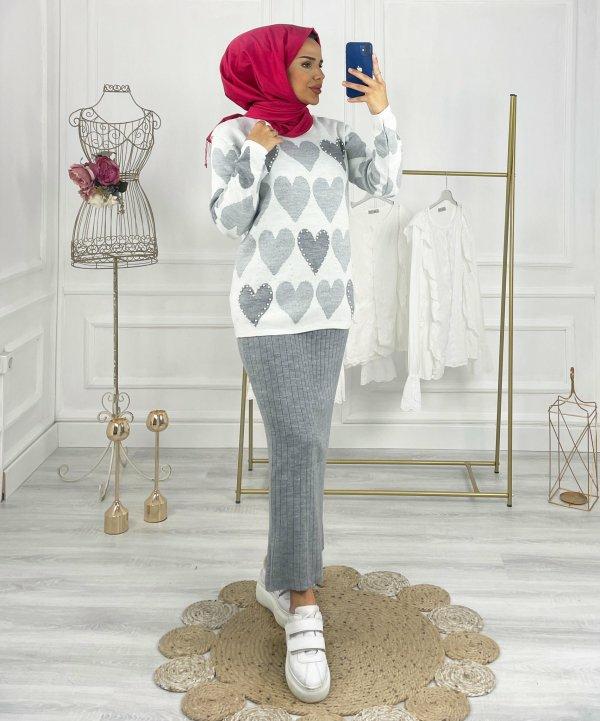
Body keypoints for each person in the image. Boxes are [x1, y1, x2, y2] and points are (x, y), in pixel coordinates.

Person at [205, 23, 402, 703]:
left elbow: (384, 183)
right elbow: (229, 219)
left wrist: (379, 111)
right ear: (269, 70)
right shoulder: (233, 136)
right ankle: (303, 600)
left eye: (322, 64)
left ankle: (279, 577)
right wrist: (259, 153)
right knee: (297, 441)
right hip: (266, 316)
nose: (319, 75)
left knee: (309, 443)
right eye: (307, 64)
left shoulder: (332, 134)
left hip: (328, 313)